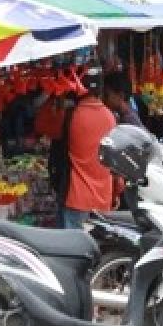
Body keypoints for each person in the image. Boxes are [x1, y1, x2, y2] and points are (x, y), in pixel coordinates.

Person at [61, 68, 118, 229]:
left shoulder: (73, 115)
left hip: (77, 197)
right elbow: (115, 161)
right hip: (103, 198)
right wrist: (116, 190)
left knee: (73, 250)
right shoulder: (110, 117)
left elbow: (42, 125)